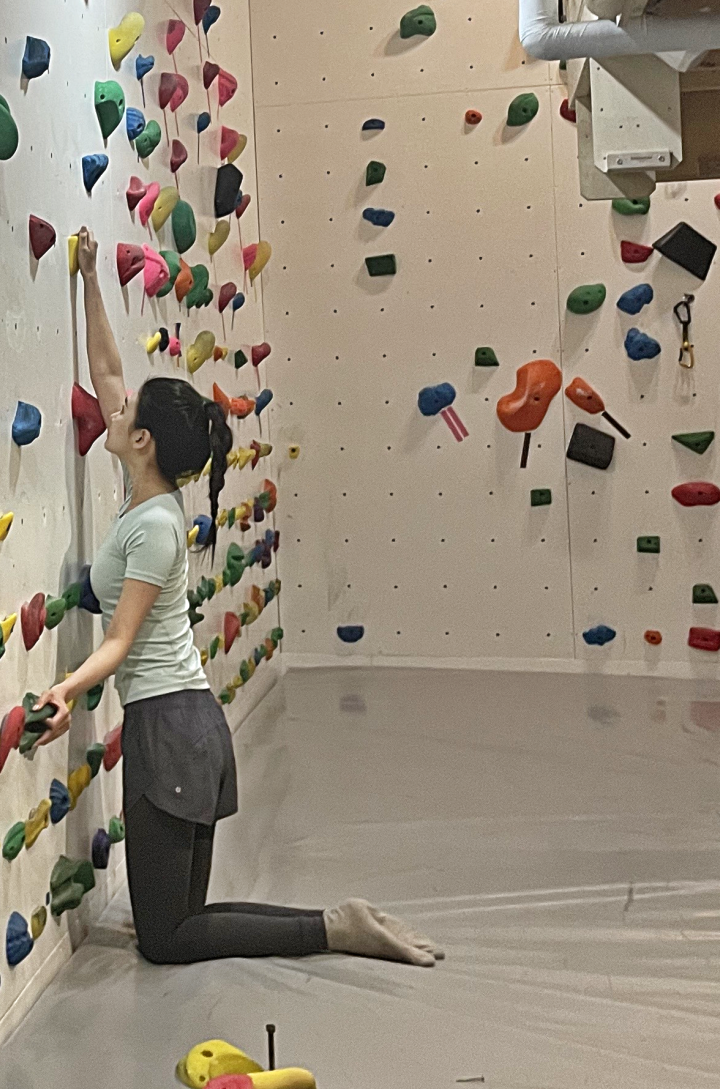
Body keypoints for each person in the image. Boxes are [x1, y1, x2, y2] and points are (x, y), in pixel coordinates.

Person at [34, 227, 441, 968]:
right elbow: (109, 371)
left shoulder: (153, 527)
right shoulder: (149, 494)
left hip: (167, 730)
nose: (111, 412)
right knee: (180, 920)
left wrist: (63, 688)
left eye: (125, 415)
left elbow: (120, 640)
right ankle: (335, 923)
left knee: (167, 939)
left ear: (144, 441)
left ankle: (332, 927)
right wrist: (89, 278)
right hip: (187, 726)